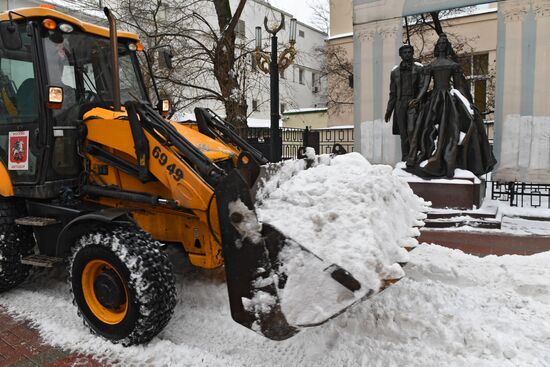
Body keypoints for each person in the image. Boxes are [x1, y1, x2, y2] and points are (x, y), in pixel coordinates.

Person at [406, 33, 496, 178]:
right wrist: (418, 99)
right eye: (439, 43)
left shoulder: (453, 65)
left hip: (449, 97)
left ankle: (451, 158)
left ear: (447, 47)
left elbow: (460, 86)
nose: (441, 45)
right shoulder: (431, 66)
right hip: (435, 98)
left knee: (452, 126)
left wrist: (469, 103)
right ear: (437, 46)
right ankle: (426, 155)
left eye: (444, 43)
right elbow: (425, 86)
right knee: (426, 128)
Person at [384, 44, 424, 161]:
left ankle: (414, 156)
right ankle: (405, 157)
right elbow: (392, 93)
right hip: (400, 103)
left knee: (412, 130)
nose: (407, 54)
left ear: (412, 53)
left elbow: (423, 87)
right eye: (404, 52)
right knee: (403, 134)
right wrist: (389, 111)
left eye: (409, 52)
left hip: (413, 102)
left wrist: (418, 100)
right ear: (400, 55)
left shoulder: (419, 69)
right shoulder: (395, 72)